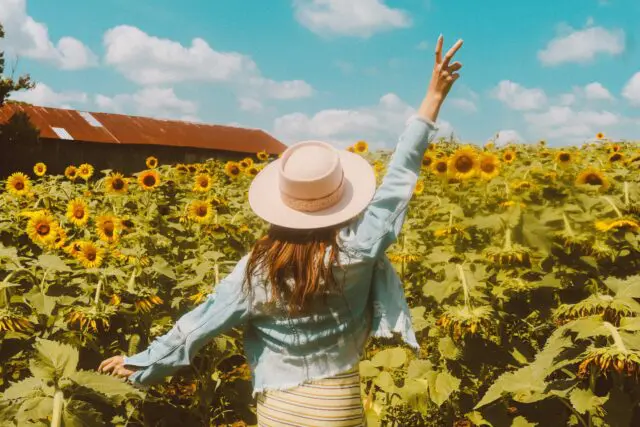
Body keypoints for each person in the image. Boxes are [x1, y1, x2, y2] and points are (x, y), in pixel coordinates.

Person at [99, 35, 464, 426]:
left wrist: (141, 364)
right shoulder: (359, 247)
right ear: (342, 200)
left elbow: (200, 324)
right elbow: (398, 180)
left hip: (283, 405)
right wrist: (432, 97)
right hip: (339, 401)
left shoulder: (257, 271)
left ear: (282, 206)